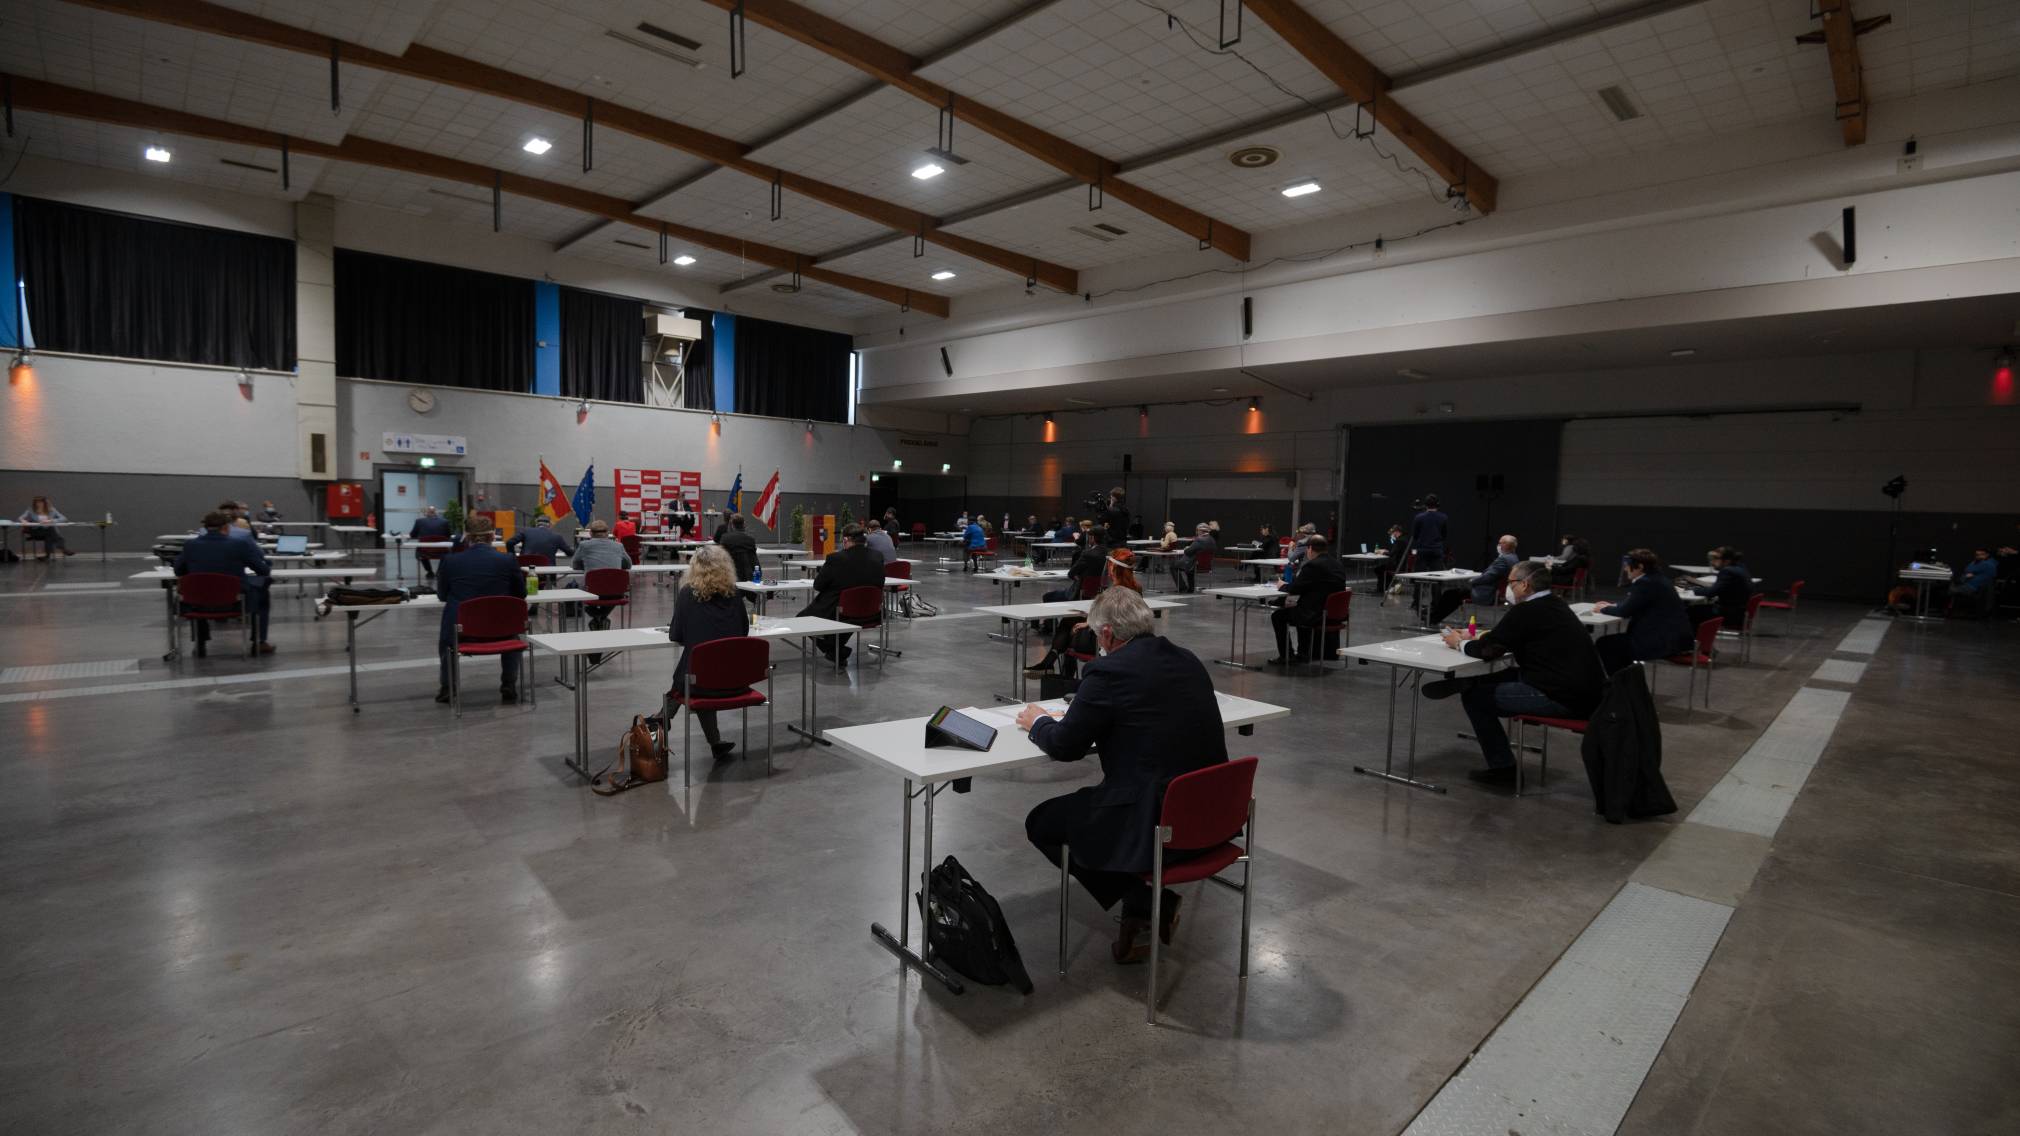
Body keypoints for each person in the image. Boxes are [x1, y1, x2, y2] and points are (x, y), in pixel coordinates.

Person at [1017, 587, 1228, 964]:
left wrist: (1040, 723)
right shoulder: (1188, 659)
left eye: (1097, 636)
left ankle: (1144, 901)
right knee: (1104, 794)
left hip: (1157, 821)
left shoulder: (1107, 671)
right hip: (1212, 814)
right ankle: (1140, 912)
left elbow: (1066, 747)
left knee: (1042, 822)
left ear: (1108, 635)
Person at [1425, 561, 1605, 787]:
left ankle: (1503, 769)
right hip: (1586, 691)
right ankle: (1470, 682)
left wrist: (1458, 643)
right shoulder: (1555, 605)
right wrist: (1480, 637)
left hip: (1561, 697)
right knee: (1506, 673)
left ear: (1525, 585)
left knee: (1475, 699)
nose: (1507, 587)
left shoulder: (1525, 611)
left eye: (1510, 582)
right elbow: (1510, 637)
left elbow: (1488, 651)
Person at [665, 544, 747, 762]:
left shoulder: (686, 595)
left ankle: (659, 722)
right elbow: (743, 632)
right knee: (703, 667)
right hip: (736, 681)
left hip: (701, 685)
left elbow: (675, 635)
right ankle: (715, 744)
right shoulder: (735, 593)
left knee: (695, 669)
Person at [432, 516, 525, 704]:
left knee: (446, 641)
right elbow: (520, 593)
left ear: (466, 537)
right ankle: (509, 684)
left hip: (463, 631)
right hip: (501, 628)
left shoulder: (450, 561)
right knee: (512, 633)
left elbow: (442, 595)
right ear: (493, 536)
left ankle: (447, 687)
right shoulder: (507, 560)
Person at [174, 510, 274, 655]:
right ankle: (259, 642)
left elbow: (178, 571)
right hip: (234, 602)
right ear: (226, 528)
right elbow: (263, 570)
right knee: (262, 594)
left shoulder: (190, 545)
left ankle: (200, 643)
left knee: (200, 590)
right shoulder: (239, 545)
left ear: (205, 528)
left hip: (198, 603)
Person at [1029, 550, 1142, 676]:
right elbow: (1117, 617)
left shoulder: (1113, 592)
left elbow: (1109, 621)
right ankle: (1051, 664)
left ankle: (1054, 668)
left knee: (1069, 627)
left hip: (1105, 641)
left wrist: (1089, 623)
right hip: (1129, 639)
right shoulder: (1136, 588)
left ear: (1113, 568)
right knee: (1071, 623)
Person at [1593, 548, 1693, 673]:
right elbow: (1636, 604)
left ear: (1639, 567)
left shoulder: (1645, 583)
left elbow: (1624, 612)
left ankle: (1618, 683)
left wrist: (1603, 609)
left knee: (1605, 643)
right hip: (1673, 638)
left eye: (1627, 566)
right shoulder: (1659, 579)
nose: (1625, 569)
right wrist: (1614, 606)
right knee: (1613, 644)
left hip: (1660, 642)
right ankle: (1624, 681)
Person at [798, 524, 885, 662]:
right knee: (847, 614)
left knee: (803, 618)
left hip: (842, 613)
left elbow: (818, 585)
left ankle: (834, 650)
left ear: (846, 540)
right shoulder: (878, 556)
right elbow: (880, 583)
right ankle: (836, 649)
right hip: (872, 612)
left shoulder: (836, 558)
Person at [1269, 535, 1346, 665]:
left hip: (1316, 614)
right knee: (1299, 608)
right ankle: (1303, 653)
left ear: (1309, 549)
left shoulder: (1312, 566)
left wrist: (1282, 585)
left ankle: (1287, 656)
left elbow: (1296, 588)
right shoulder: (1337, 564)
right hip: (1334, 614)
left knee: (1278, 616)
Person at [1429, 534, 1519, 624]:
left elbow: (1488, 577)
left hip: (1486, 593)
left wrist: (1473, 581)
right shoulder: (1514, 558)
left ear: (1506, 545)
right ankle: (1434, 617)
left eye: (1500, 543)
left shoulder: (1503, 559)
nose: (1498, 545)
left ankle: (1432, 619)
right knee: (1454, 594)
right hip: (1494, 591)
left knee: (1450, 594)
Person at [571, 519, 633, 628]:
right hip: (616, 591)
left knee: (574, 592)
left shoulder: (584, 545)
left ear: (590, 533)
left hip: (591, 590)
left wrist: (587, 565)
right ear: (608, 533)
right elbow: (628, 564)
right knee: (612, 595)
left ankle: (597, 616)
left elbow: (575, 564)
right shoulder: (618, 546)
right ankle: (602, 617)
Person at [1690, 546, 1752, 630]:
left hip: (1729, 616)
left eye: (1716, 558)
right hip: (1739, 613)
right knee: (1697, 609)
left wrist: (1693, 590)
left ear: (1727, 561)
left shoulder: (1727, 571)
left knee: (1689, 611)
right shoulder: (1741, 567)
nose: (1712, 562)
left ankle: (1693, 641)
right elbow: (1720, 589)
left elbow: (1711, 593)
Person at [1045, 538, 1107, 603]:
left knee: (1047, 596)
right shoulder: (1108, 553)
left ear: (1092, 538)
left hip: (1082, 589)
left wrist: (1075, 576)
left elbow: (1071, 573)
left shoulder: (1087, 554)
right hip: (1099, 590)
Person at [717, 513, 760, 587]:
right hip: (748, 575)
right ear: (744, 524)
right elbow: (753, 559)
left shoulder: (725, 538)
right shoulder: (751, 540)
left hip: (731, 575)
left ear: (732, 525)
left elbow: (721, 558)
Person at [507, 515, 574, 562]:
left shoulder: (526, 531)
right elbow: (570, 553)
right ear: (549, 525)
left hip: (526, 568)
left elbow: (509, 542)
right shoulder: (557, 537)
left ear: (536, 524)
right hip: (547, 572)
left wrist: (513, 557)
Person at [411, 506, 452, 581]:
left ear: (426, 513)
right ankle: (439, 571)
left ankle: (429, 571)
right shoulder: (444, 522)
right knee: (448, 553)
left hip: (425, 551)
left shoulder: (419, 521)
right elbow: (448, 535)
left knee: (420, 551)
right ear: (436, 513)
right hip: (441, 551)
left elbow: (412, 535)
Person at [1954, 547, 1998, 617]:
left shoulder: (1987, 564)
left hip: (1973, 587)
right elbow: (1967, 570)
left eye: (1981, 555)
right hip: (1970, 585)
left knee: (1949, 589)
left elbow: (1968, 571)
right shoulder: (1977, 562)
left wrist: (1970, 574)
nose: (1978, 556)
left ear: (1987, 555)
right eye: (1977, 555)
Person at [1172, 523, 1215, 593]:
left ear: (1200, 531)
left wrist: (1187, 548)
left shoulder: (1199, 540)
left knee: (1173, 566)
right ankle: (1190, 588)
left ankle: (1182, 587)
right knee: (1188, 567)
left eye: (1197, 530)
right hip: (1206, 566)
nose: (1196, 532)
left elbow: (1188, 552)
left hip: (1194, 565)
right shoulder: (1212, 540)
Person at [1410, 494, 1449, 572]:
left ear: (1425, 505)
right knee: (1437, 576)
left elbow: (1415, 535)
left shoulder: (1419, 517)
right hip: (1436, 550)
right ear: (1438, 504)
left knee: (1419, 576)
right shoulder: (1443, 517)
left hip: (1422, 551)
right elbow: (1444, 535)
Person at [1378, 522, 1406, 591]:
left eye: (1392, 532)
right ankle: (1387, 585)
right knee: (1381, 568)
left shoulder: (1399, 541)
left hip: (1397, 565)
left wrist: (1383, 552)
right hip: (1402, 564)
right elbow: (1395, 552)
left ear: (1396, 532)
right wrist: (1387, 551)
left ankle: (1383, 587)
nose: (1392, 534)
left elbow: (1391, 554)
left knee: (1379, 569)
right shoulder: (1404, 539)